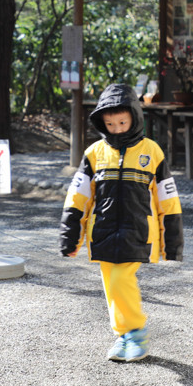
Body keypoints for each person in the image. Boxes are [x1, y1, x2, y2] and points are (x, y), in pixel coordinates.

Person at [59, 84, 184, 362]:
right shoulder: (94, 154)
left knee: (120, 279)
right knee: (110, 284)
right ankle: (124, 336)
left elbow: (168, 200)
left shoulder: (151, 151)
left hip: (138, 231)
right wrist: (70, 237)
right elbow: (77, 198)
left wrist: (172, 243)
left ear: (135, 118)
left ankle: (136, 331)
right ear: (102, 123)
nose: (116, 128)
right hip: (101, 232)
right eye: (110, 124)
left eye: (122, 122)